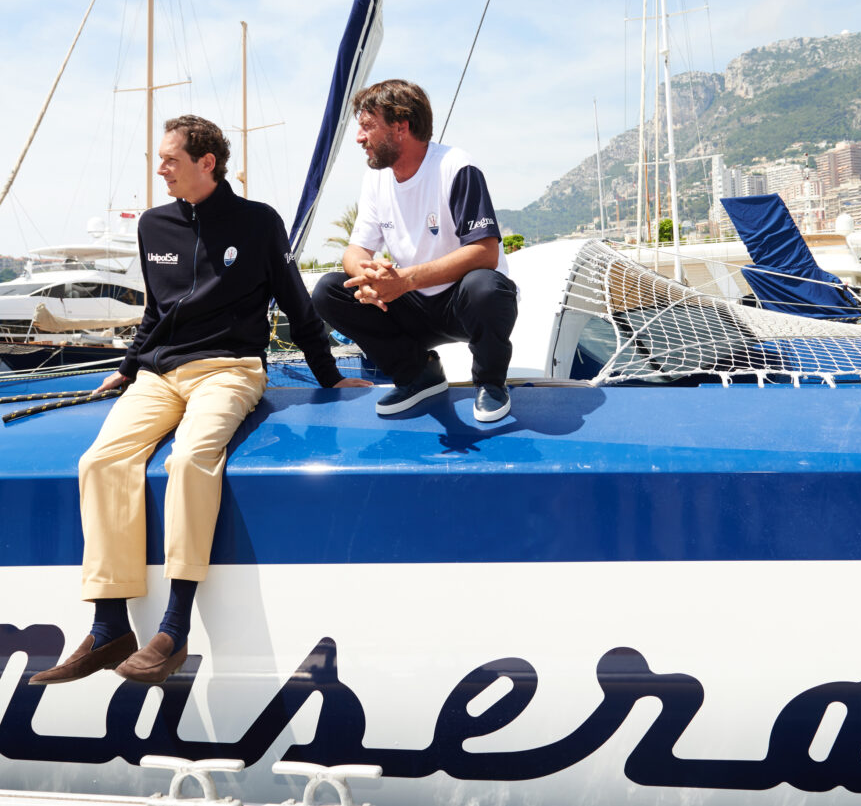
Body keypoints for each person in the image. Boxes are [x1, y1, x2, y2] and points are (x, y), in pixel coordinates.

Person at [30, 115, 370, 687]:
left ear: (206, 162)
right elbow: (154, 315)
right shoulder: (153, 225)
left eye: (170, 159)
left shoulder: (258, 222)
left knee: (190, 459)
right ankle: (109, 624)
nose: (159, 168)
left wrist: (329, 377)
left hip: (229, 368)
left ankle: (173, 626)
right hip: (160, 375)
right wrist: (127, 368)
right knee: (101, 461)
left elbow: (296, 302)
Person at [312, 79, 518, 422]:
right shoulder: (376, 180)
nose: (359, 138)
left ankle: (491, 383)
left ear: (400, 126)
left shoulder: (455, 166)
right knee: (329, 291)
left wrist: (405, 280)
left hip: (462, 304)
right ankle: (418, 375)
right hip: (411, 306)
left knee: (487, 286)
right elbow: (355, 249)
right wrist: (367, 273)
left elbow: (485, 252)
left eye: (367, 127)